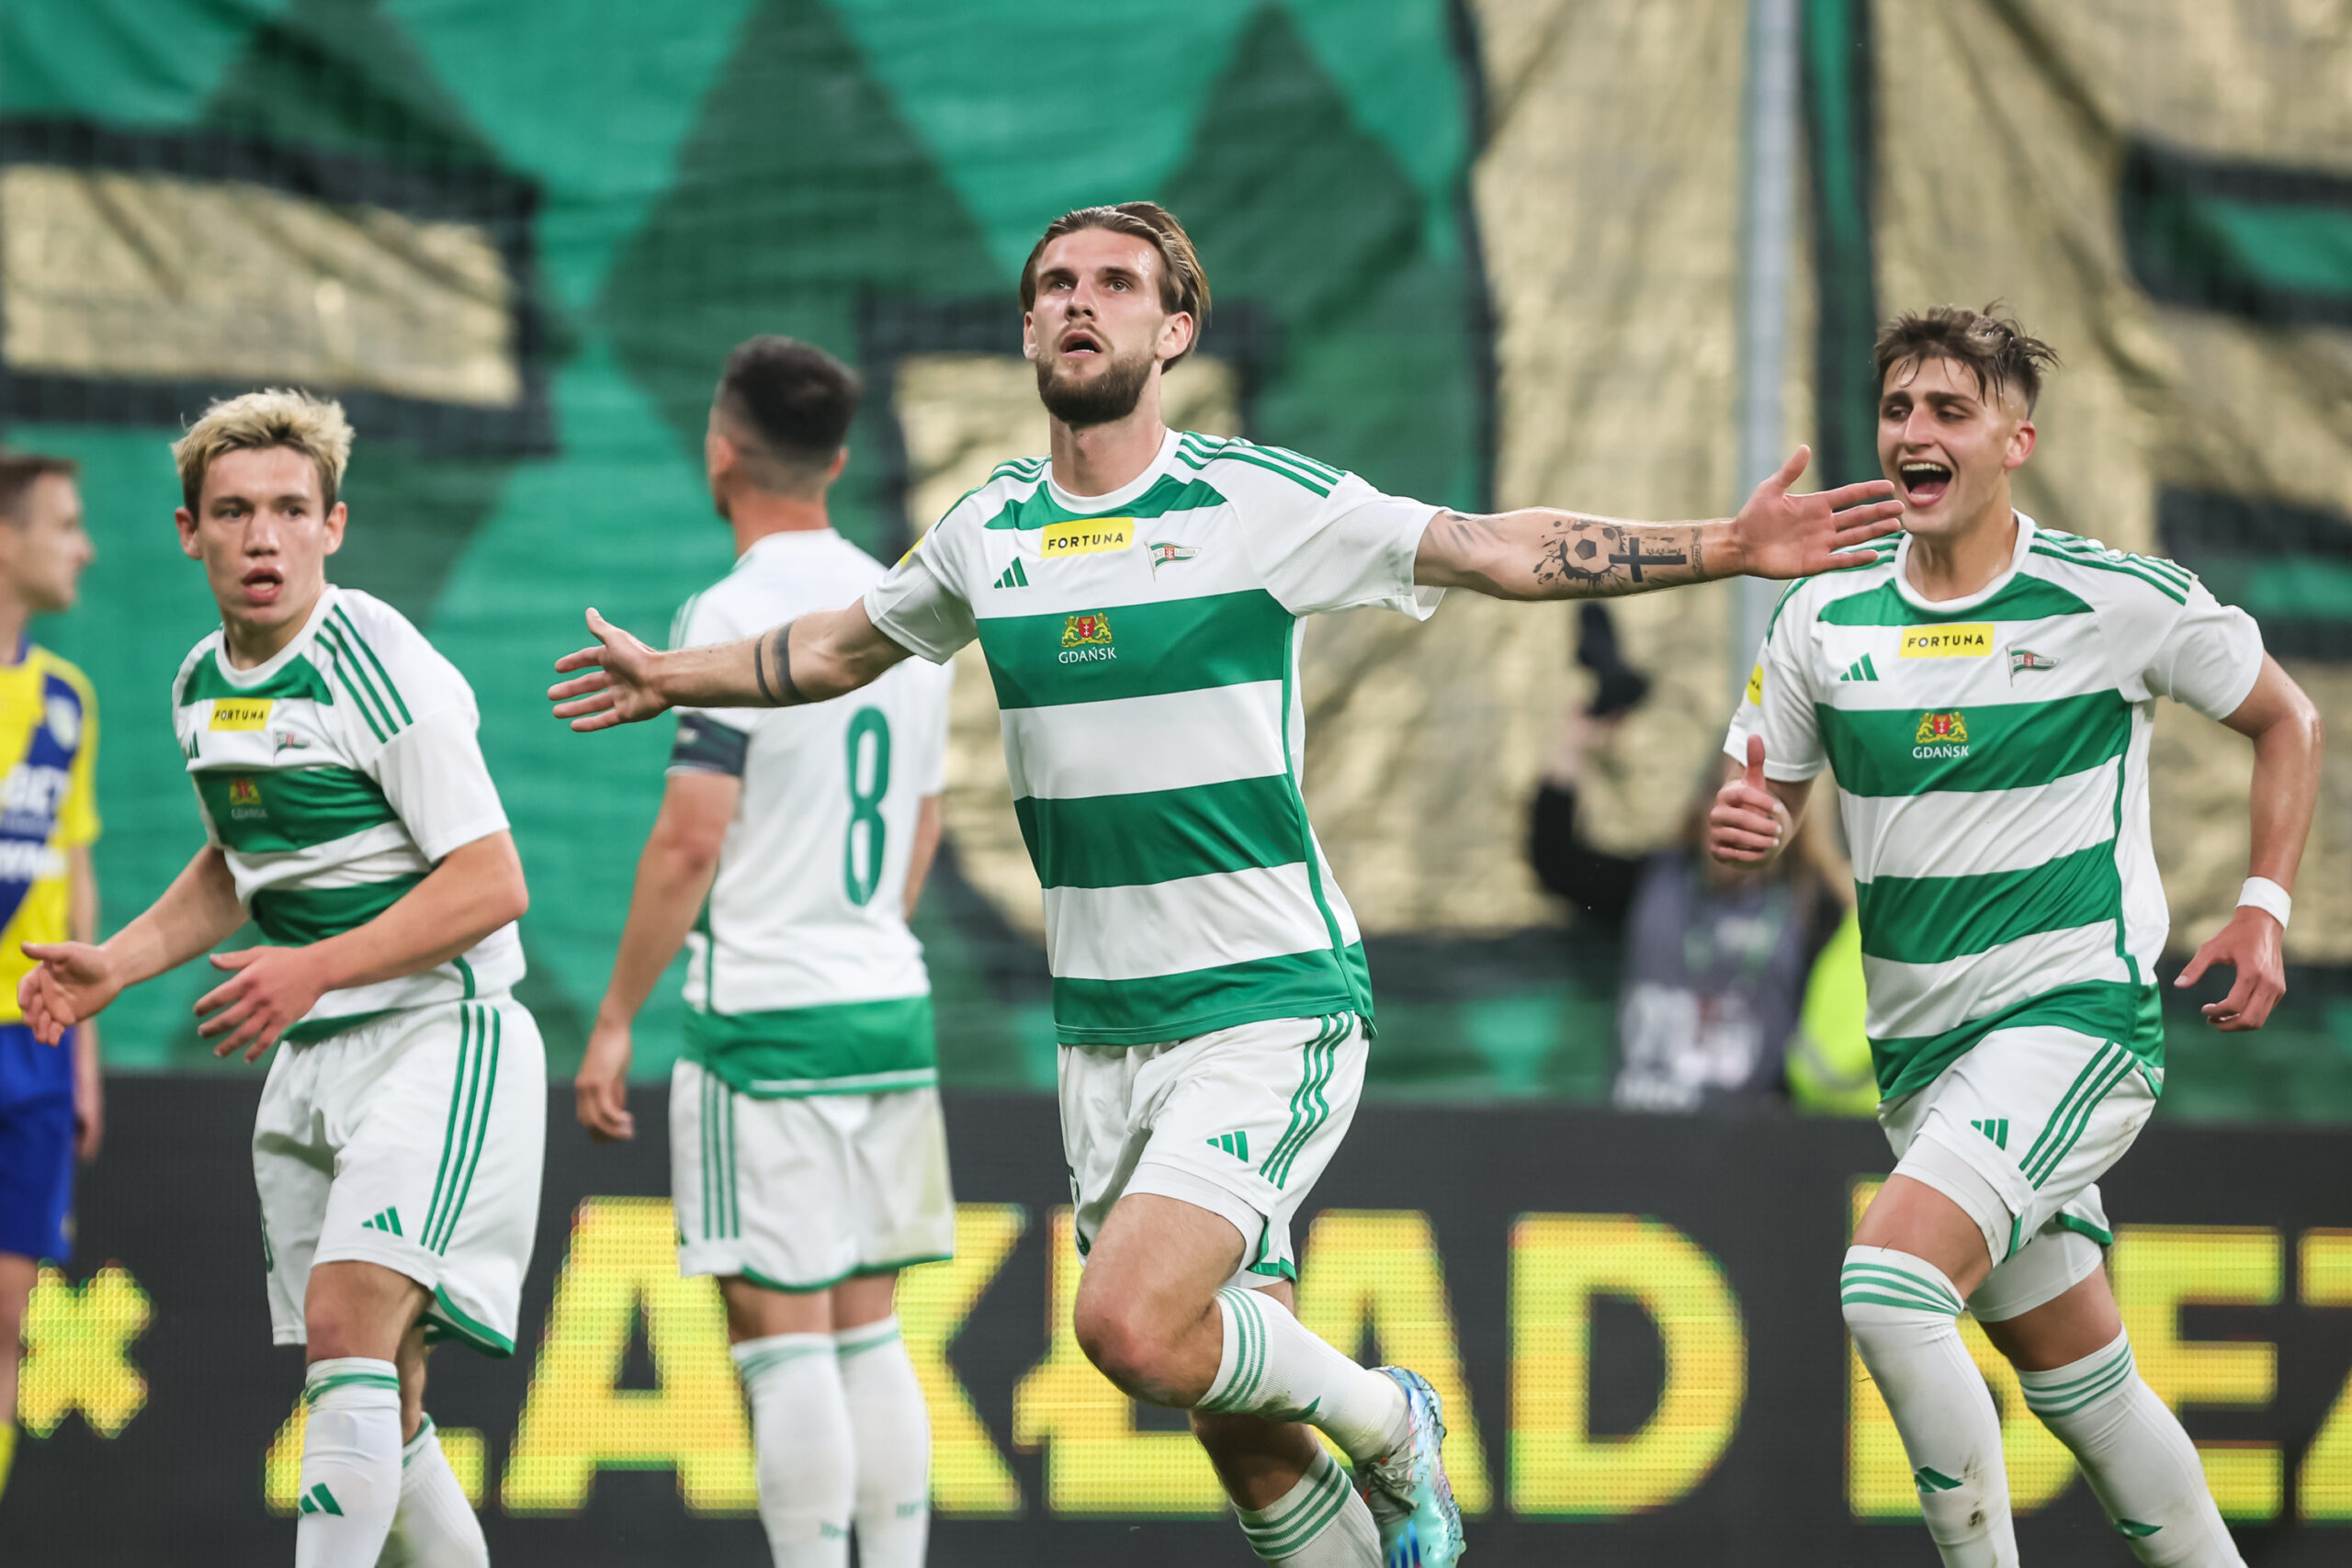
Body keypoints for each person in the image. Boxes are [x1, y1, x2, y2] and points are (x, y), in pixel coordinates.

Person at [549, 201, 1902, 1568]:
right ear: (1027, 330)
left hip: (1264, 1002)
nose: (1081, 301)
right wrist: (672, 674)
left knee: (1127, 1324)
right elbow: (839, 648)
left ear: (1175, 330)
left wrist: (1725, 546)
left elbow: (1492, 546)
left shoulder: (1252, 501)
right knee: (1234, 1413)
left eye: (1116, 283)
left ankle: (1391, 1416)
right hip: (1104, 1029)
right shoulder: (986, 529)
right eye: (1056, 284)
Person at [1710, 305, 2322, 1568]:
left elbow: (2287, 718)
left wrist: (2263, 906)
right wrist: (1745, 828)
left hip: (2073, 1023)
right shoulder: (1821, 619)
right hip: (1923, 1065)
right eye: (1898, 410)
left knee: (1887, 1287)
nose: (1914, 434)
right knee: (2086, 1388)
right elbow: (1764, 803)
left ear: (2015, 442)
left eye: (1950, 410)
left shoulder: (2112, 598)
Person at [17, 390, 544, 1568]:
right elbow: (238, 864)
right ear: (188, 532)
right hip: (315, 1053)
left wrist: (313, 967)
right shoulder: (199, 684)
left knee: (347, 1328)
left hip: (441, 1034)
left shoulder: (376, 659)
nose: (264, 538)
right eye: (234, 512)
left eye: (292, 510)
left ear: (334, 526)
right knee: (383, 1401)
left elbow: (492, 880)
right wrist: (119, 962)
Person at [573, 337, 954, 1568]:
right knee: (870, 1332)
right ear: (837, 461)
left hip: (766, 1016)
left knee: (782, 1339)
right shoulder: (903, 603)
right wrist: (862, 934)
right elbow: (926, 821)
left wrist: (616, 1018)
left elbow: (692, 837)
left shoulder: (730, 615)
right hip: (885, 999)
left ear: (721, 452)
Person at [1528, 694, 1851, 1112]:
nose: (1742, 819)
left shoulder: (1814, 911)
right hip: (1639, 1126)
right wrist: (1576, 744)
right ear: (1703, 805)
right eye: (1730, 797)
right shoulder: (1655, 881)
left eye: (1763, 805)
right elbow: (1555, 861)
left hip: (1746, 1140)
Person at [0, 451, 99, 1503]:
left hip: (34, 1046)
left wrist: (85, 1054)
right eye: (66, 525)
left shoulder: (66, 699)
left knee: (9, 1318)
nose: (86, 548)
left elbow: (74, 876)